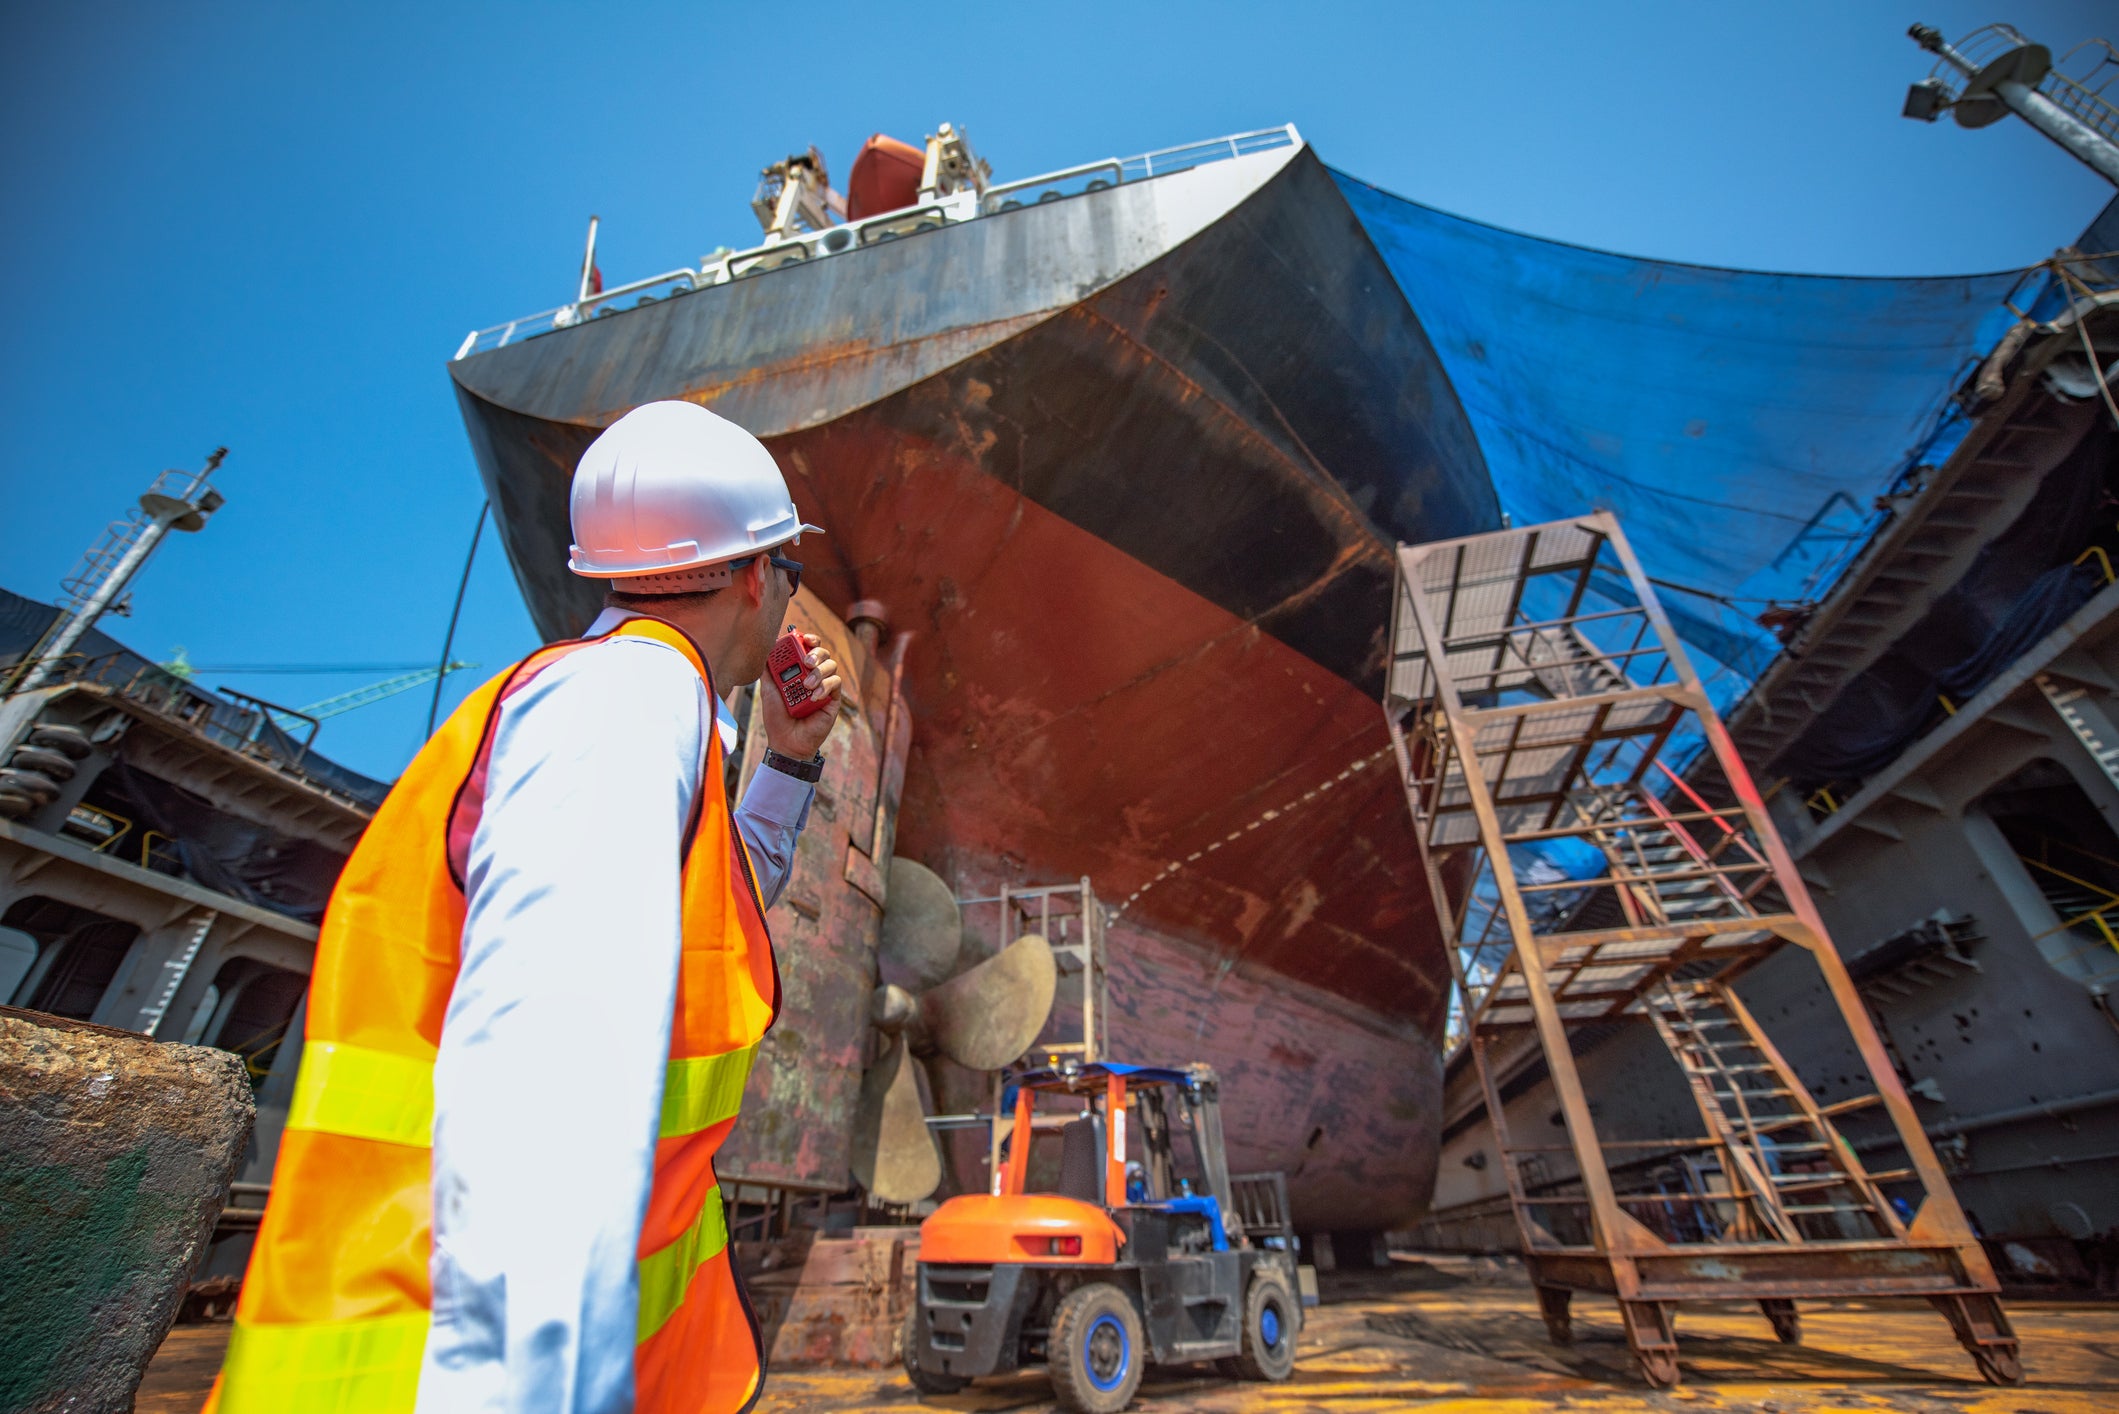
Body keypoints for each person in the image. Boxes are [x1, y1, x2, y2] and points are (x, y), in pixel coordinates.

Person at [210, 401, 841, 1414]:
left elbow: (714, 916)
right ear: (759, 574)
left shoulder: (627, 713)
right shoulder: (622, 705)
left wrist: (792, 763)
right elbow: (550, 1101)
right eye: (793, 576)